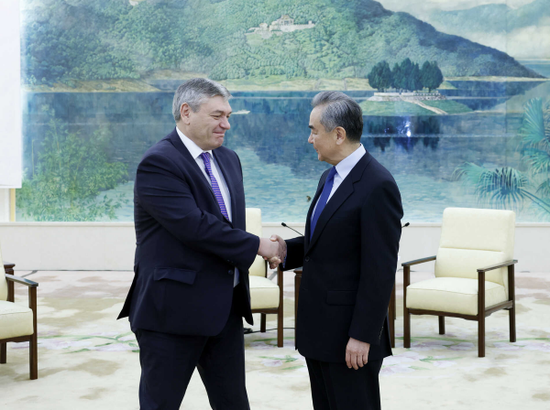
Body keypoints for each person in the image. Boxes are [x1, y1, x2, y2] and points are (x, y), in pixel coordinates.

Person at [118, 78, 283, 410]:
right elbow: (196, 226)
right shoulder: (159, 163)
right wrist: (258, 245)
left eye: (228, 114)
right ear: (186, 112)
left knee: (234, 403)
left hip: (225, 311)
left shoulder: (228, 160)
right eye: (218, 115)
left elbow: (224, 225)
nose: (227, 124)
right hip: (171, 313)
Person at [272, 91, 403, 410]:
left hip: (350, 338)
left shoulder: (377, 185)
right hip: (319, 332)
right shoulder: (328, 178)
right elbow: (324, 242)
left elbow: (379, 270)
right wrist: (283, 251)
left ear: (339, 134)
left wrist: (362, 336)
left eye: (313, 130)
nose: (309, 139)